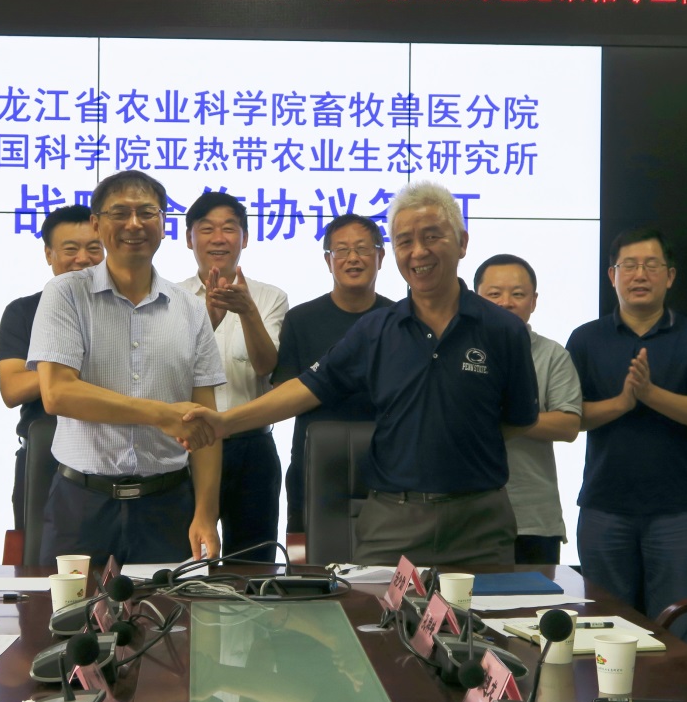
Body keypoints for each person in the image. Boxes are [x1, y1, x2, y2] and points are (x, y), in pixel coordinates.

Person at [181, 181, 538, 565]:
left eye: (432, 236)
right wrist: (225, 422)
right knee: (367, 604)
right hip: (394, 518)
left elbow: (518, 419)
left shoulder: (503, 330)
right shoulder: (377, 329)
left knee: (487, 607)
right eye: (405, 241)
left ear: (462, 242)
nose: (418, 251)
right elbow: (306, 388)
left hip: (479, 521)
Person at [27, 170, 224, 565]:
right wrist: (160, 414)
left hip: (168, 506)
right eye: (120, 213)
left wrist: (206, 513)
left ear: (164, 224)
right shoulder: (66, 294)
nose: (134, 224)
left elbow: (205, 422)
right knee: (73, 607)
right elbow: (58, 394)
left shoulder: (189, 308)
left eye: (147, 212)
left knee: (172, 606)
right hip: (81, 505)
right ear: (97, 224)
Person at [565, 227, 687, 642]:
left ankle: (671, 688)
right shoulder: (586, 338)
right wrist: (622, 403)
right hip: (604, 505)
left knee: (672, 628)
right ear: (611, 276)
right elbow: (568, 418)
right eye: (629, 266)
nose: (639, 275)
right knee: (603, 624)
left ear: (669, 276)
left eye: (651, 266)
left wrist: (651, 394)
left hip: (676, 509)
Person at [178, 192, 288, 561]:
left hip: (251, 447)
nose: (218, 238)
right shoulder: (171, 297)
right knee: (190, 561)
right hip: (187, 447)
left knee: (254, 565)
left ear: (245, 238)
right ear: (189, 237)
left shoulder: (270, 297)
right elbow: (169, 370)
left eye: (229, 228)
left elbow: (267, 366)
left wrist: (248, 312)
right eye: (206, 229)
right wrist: (206, 321)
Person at [272, 213, 394, 539]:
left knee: (386, 563)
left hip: (386, 468)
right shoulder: (300, 319)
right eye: (342, 250)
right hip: (313, 468)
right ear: (328, 261)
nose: (353, 258)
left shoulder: (399, 320)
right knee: (306, 560)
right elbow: (284, 390)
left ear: (380, 256)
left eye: (363, 249)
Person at [0, 204, 104, 529]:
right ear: (49, 254)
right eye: (70, 249)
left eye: (94, 248)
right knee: (40, 557)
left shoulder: (130, 308)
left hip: (113, 456)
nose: (82, 258)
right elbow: (12, 389)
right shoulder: (23, 311)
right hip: (43, 456)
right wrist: (67, 362)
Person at [474, 253, 583, 565]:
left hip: (533, 517)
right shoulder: (455, 353)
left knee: (535, 597)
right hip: (467, 515)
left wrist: (503, 416)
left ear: (533, 301)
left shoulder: (552, 355)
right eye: (494, 294)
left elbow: (568, 425)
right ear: (475, 300)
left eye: (518, 294)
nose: (506, 303)